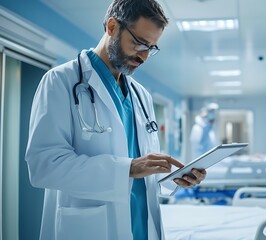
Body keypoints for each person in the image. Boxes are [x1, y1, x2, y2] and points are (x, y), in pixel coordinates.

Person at [25, 0, 206, 239]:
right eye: (140, 43)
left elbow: (143, 172)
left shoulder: (141, 96)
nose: (144, 57)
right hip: (92, 228)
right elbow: (44, 167)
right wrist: (128, 168)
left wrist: (173, 178)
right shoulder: (60, 82)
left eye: (151, 48)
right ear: (112, 27)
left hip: (142, 226)